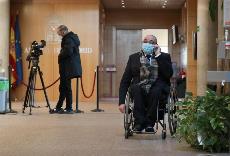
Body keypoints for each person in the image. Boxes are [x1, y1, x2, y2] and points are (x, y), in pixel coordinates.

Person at [118, 35, 173, 132]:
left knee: (155, 90)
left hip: (157, 87)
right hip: (139, 86)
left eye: (151, 42)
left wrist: (158, 56)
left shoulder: (164, 57)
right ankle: (139, 123)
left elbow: (168, 74)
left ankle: (149, 124)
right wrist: (122, 102)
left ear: (156, 44)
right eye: (145, 41)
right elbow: (125, 81)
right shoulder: (133, 58)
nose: (148, 43)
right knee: (136, 88)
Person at [52, 25, 82, 114]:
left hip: (67, 67)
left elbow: (68, 51)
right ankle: (59, 107)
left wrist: (60, 56)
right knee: (63, 87)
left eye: (59, 32)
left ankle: (69, 108)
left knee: (66, 87)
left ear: (63, 31)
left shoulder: (68, 39)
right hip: (68, 67)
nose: (58, 34)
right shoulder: (71, 38)